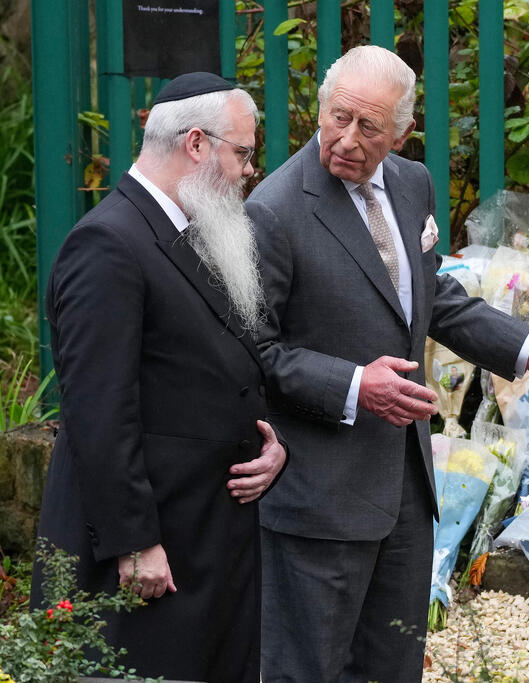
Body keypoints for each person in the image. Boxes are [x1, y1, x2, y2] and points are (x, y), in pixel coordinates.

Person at [246, 45, 529, 682]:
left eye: (370, 127)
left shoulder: (412, 184)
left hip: (406, 494)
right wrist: (357, 386)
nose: (348, 139)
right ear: (320, 112)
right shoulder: (274, 210)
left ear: (402, 132)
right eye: (338, 118)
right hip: (319, 498)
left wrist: (526, 347)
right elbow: (259, 353)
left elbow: (428, 293)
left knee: (394, 668)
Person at [31, 72, 287, 682]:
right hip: (151, 553)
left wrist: (272, 443)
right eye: (243, 153)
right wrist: (134, 541)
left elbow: (222, 369)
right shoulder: (107, 243)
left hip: (204, 535)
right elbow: (98, 409)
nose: (249, 170)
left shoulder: (191, 233)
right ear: (196, 145)